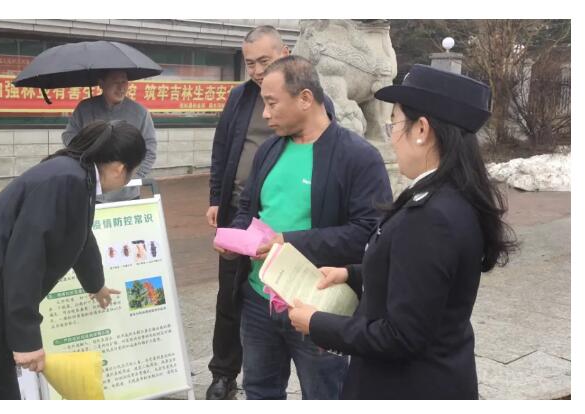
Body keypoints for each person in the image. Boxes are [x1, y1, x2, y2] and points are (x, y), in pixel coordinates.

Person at [288, 64, 518, 399]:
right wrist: (352, 274)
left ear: (421, 129)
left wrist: (317, 323)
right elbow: (425, 280)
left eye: (394, 123)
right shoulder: (450, 195)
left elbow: (401, 335)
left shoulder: (432, 216)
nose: (391, 136)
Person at [0, 120, 147, 399]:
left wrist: (96, 285)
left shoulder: (76, 176)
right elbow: (25, 260)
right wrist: (26, 340)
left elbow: (81, 235)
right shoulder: (67, 180)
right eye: (132, 172)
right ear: (120, 168)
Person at [224, 56, 392, 400]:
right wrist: (236, 239)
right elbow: (248, 208)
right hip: (259, 299)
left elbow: (369, 233)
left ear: (304, 98)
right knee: (259, 391)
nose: (265, 114)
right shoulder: (269, 149)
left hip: (318, 303)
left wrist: (289, 242)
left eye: (272, 103)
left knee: (325, 394)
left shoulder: (358, 157)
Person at [205, 26, 335, 399]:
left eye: (264, 60)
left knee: (288, 295)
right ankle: (224, 372)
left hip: (291, 225)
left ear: (285, 52)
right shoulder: (240, 98)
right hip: (243, 212)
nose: (258, 70)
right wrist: (217, 199)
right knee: (231, 296)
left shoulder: (319, 108)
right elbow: (221, 148)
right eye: (250, 63)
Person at [63, 69, 157, 202]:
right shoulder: (85, 109)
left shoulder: (140, 113)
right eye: (115, 82)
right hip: (93, 193)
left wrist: (132, 177)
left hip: (127, 195)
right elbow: (68, 136)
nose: (121, 87)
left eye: (124, 82)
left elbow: (150, 150)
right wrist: (86, 147)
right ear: (101, 83)